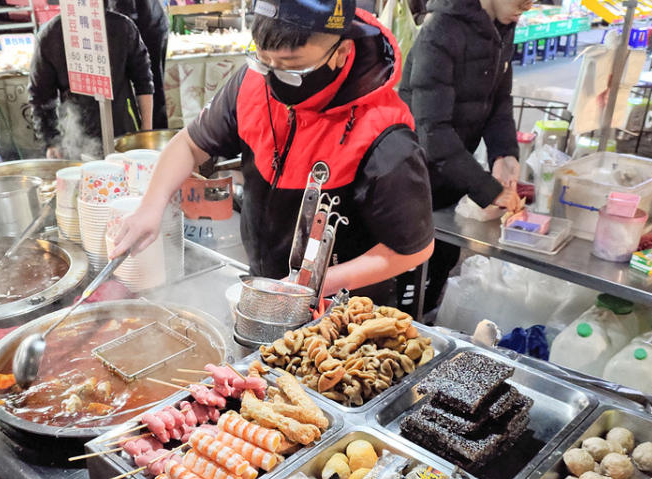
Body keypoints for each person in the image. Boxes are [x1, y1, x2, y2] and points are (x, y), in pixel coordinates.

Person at [111, 0, 435, 305]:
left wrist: (314, 283)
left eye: (291, 68)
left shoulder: (385, 137)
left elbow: (412, 249)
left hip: (344, 307)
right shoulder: (253, 83)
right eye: (264, 61)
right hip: (269, 286)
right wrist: (149, 207)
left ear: (341, 51)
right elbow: (189, 144)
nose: (273, 78)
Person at [399, 0, 528, 313]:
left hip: (450, 178)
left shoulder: (502, 27)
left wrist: (504, 155)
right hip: (408, 175)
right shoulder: (440, 30)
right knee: (408, 273)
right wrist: (487, 189)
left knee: (443, 258)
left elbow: (499, 103)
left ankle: (426, 326)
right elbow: (432, 131)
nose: (527, 5)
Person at [29, 13, 154, 159]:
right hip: (75, 137)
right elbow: (40, 96)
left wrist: (146, 131)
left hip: (125, 133)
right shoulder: (50, 34)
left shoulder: (122, 26)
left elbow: (144, 81)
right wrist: (50, 142)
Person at [109, 0, 170, 128]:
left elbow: (127, 13)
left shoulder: (125, 23)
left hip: (148, 27)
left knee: (151, 86)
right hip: (148, 21)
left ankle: (151, 136)